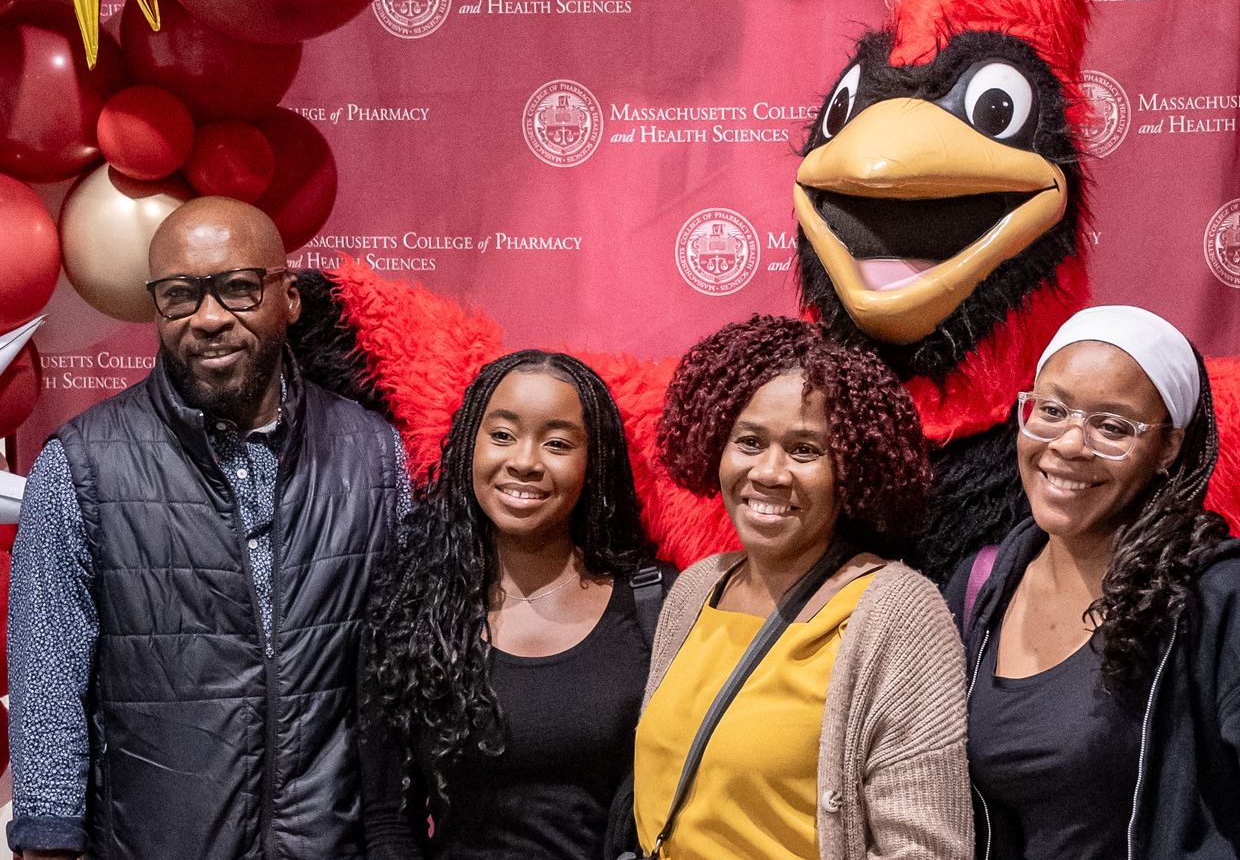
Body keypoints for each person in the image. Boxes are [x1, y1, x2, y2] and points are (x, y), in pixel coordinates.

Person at [7, 197, 411, 860]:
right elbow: (48, 671)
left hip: (333, 842)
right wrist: (48, 836)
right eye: (180, 296)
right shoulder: (81, 466)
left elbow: (402, 665)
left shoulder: (373, 456)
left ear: (289, 297)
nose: (210, 318)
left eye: (238, 289)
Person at [635, 314, 972, 860]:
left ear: (853, 470)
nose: (769, 472)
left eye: (804, 450)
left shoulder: (898, 614)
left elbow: (926, 850)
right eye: (749, 441)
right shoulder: (696, 589)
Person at [945, 305, 1240, 860]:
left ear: (1169, 448)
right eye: (1052, 410)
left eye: (1112, 426)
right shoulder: (980, 586)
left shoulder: (1215, 597)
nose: (1071, 444)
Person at [359, 350, 661, 860]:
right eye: (501, 435)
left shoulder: (657, 606)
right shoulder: (409, 613)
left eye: (558, 443)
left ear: (596, 461)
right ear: (468, 449)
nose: (524, 461)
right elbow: (389, 818)